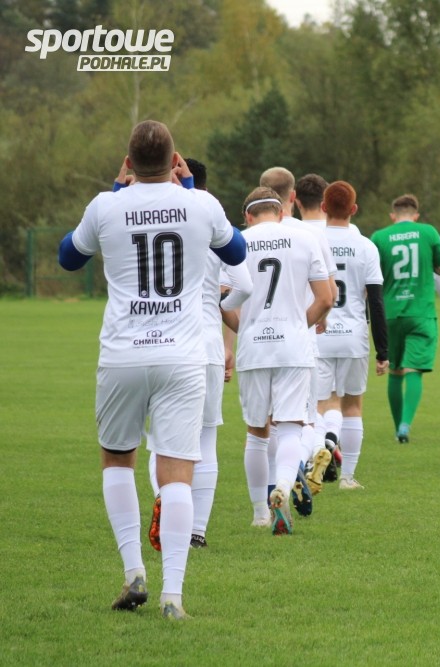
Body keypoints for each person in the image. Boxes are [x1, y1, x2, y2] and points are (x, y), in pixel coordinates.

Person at [58, 120, 247, 619]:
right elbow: (236, 251)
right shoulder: (200, 203)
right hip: (182, 356)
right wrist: (189, 187)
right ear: (174, 160)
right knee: (177, 472)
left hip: (123, 354)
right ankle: (173, 596)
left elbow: (68, 258)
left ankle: (134, 572)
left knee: (118, 460)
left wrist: (117, 189)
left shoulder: (106, 204)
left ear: (128, 162)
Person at [142, 157, 253, 551]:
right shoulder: (213, 219)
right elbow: (244, 285)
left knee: (161, 440)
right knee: (205, 438)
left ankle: (165, 500)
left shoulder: (147, 217)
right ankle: (196, 532)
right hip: (205, 342)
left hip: (158, 341)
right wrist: (219, 307)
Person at [235, 186, 334, 535]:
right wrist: (296, 326)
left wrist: (246, 329)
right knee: (291, 425)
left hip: (254, 347)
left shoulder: (237, 242)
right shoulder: (304, 238)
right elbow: (326, 298)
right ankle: (283, 485)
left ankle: (260, 513)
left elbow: (222, 300)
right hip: (293, 346)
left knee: (257, 432)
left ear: (248, 216)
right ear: (280, 212)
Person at [260, 167, 339, 517]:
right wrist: (315, 318)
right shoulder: (308, 234)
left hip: (258, 341)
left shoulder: (252, 235)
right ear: (292, 196)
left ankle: (264, 506)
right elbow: (330, 292)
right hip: (299, 341)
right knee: (302, 421)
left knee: (265, 426)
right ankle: (298, 466)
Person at [312, 181, 388, 489]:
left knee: (319, 405)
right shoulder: (366, 246)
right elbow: (377, 302)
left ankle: (317, 454)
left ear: (324, 208)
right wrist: (383, 351)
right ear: (354, 209)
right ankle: (348, 477)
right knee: (353, 406)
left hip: (318, 333)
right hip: (354, 336)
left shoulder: (312, 241)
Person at [370, 194, 440, 442]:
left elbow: (372, 275)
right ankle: (405, 424)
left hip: (390, 313)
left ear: (392, 216)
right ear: (416, 215)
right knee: (413, 368)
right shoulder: (428, 232)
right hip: (420, 312)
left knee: (395, 370)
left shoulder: (379, 237)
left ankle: (397, 429)